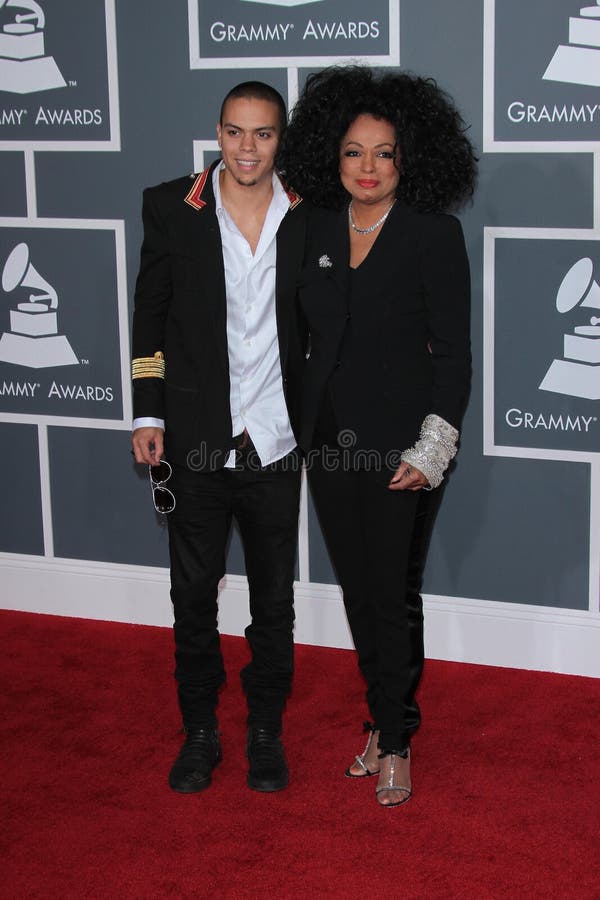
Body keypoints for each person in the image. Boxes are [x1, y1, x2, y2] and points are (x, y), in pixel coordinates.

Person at [278, 66, 476, 807]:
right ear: (332, 156)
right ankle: (383, 719)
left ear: (410, 157)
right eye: (354, 151)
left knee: (392, 594)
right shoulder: (312, 228)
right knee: (362, 591)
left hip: (403, 449)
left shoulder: (434, 235)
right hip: (330, 442)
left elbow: (452, 355)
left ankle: (395, 741)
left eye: (383, 152)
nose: (367, 168)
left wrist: (431, 450)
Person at [131, 82, 308, 795]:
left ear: (280, 139)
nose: (247, 148)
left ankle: (264, 729)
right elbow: (150, 316)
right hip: (196, 439)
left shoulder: (309, 215)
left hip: (276, 438)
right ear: (217, 132)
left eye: (262, 135)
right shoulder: (171, 207)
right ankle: (200, 729)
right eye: (235, 133)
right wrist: (149, 413)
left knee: (274, 600)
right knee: (193, 595)